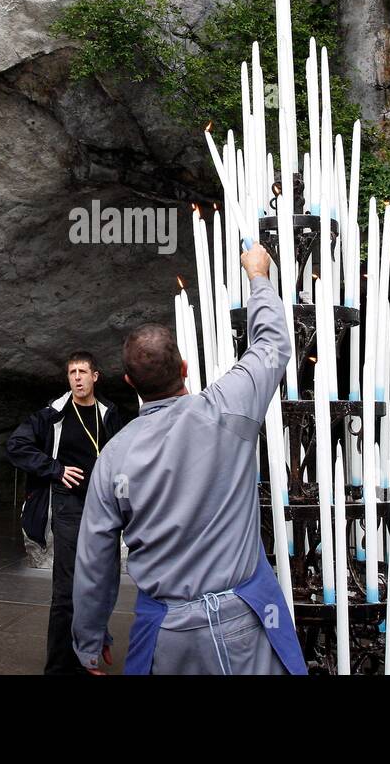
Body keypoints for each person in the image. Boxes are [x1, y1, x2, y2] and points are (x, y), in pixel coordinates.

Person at [71, 244, 306, 675]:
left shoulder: (113, 458)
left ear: (128, 383)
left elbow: (94, 559)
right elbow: (272, 344)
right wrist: (258, 276)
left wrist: (89, 638)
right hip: (246, 621)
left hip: (169, 636)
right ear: (184, 367)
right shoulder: (229, 407)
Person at [6, 351, 121, 675]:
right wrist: (55, 469)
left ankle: (90, 650)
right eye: (72, 372)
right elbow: (17, 446)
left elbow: (123, 455)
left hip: (102, 506)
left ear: (95, 376)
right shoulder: (52, 414)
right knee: (68, 586)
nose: (77, 378)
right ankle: (58, 667)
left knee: (100, 580)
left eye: (83, 371)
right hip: (67, 505)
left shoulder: (108, 413)